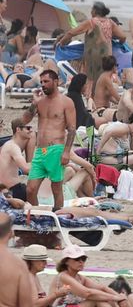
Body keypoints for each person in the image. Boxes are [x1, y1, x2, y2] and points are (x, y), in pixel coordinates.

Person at [23, 68, 76, 211]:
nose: (43, 84)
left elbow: (72, 129)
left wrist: (66, 152)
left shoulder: (66, 102)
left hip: (56, 149)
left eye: (46, 81)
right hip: (40, 151)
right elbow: (24, 120)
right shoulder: (40, 102)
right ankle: (36, 217)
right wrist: (34, 103)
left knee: (56, 188)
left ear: (56, 81)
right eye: (41, 82)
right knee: (30, 189)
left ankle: (58, 216)